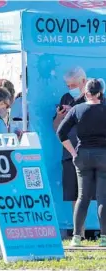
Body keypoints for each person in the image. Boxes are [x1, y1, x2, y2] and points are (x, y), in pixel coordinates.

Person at [57, 79, 106, 247]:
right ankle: (104, 239)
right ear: (100, 93)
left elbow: (61, 132)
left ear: (85, 93)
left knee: (82, 197)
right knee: (102, 198)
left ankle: (76, 238)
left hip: (82, 155)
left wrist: (73, 152)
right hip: (103, 156)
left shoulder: (77, 109)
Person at [53, 67, 88, 238]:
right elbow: (56, 128)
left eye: (73, 85)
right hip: (69, 153)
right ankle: (79, 233)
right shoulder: (65, 98)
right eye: (67, 85)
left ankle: (101, 232)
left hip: (92, 152)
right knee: (76, 194)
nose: (70, 88)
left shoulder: (95, 97)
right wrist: (61, 116)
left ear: (83, 81)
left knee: (99, 193)